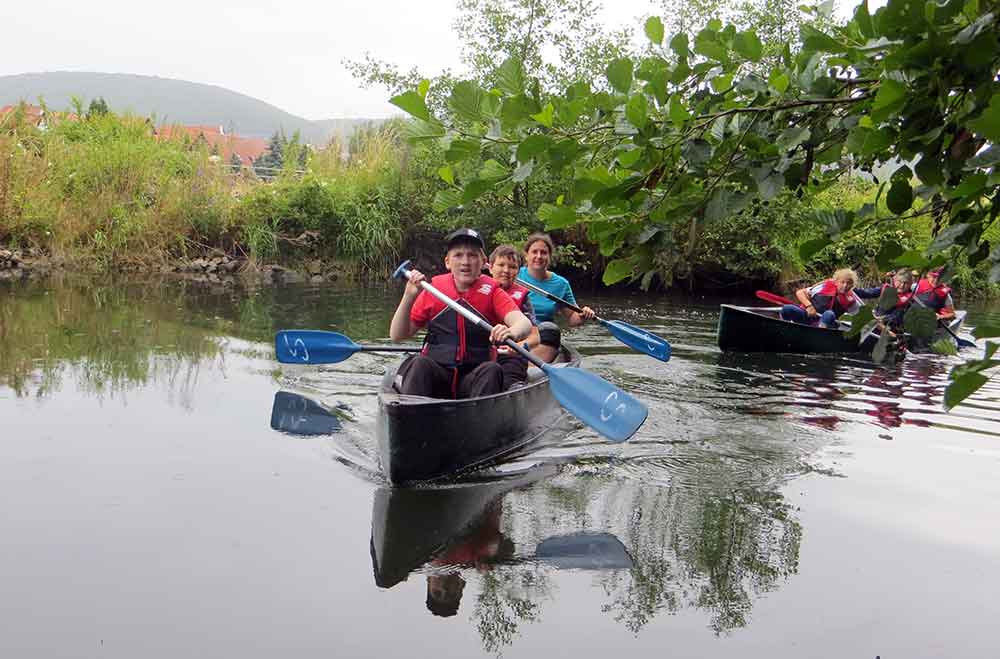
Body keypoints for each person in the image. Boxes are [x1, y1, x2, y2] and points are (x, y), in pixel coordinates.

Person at [389, 228, 532, 399]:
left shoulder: (493, 292)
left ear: (483, 262)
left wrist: (511, 332)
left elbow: (524, 324)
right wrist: (409, 296)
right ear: (448, 262)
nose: (465, 261)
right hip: (437, 377)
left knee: (492, 369)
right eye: (458, 255)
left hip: (473, 379)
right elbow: (397, 335)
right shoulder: (432, 291)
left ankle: (479, 421)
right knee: (419, 363)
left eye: (472, 255)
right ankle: (412, 416)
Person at [488, 244, 560, 389]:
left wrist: (521, 346)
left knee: (511, 375)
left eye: (512, 267)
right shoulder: (477, 288)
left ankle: (514, 389)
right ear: (490, 268)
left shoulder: (523, 298)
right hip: (482, 353)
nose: (506, 271)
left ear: (518, 271)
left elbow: (535, 337)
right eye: (501, 265)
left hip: (511, 356)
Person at [780, 268, 862, 329]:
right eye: (842, 282)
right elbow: (800, 292)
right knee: (786, 309)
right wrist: (809, 306)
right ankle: (785, 328)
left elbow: (861, 316)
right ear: (836, 282)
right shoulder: (824, 286)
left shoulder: (851, 300)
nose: (845, 286)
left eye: (849, 283)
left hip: (827, 325)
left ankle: (819, 333)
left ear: (852, 286)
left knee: (829, 314)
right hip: (808, 316)